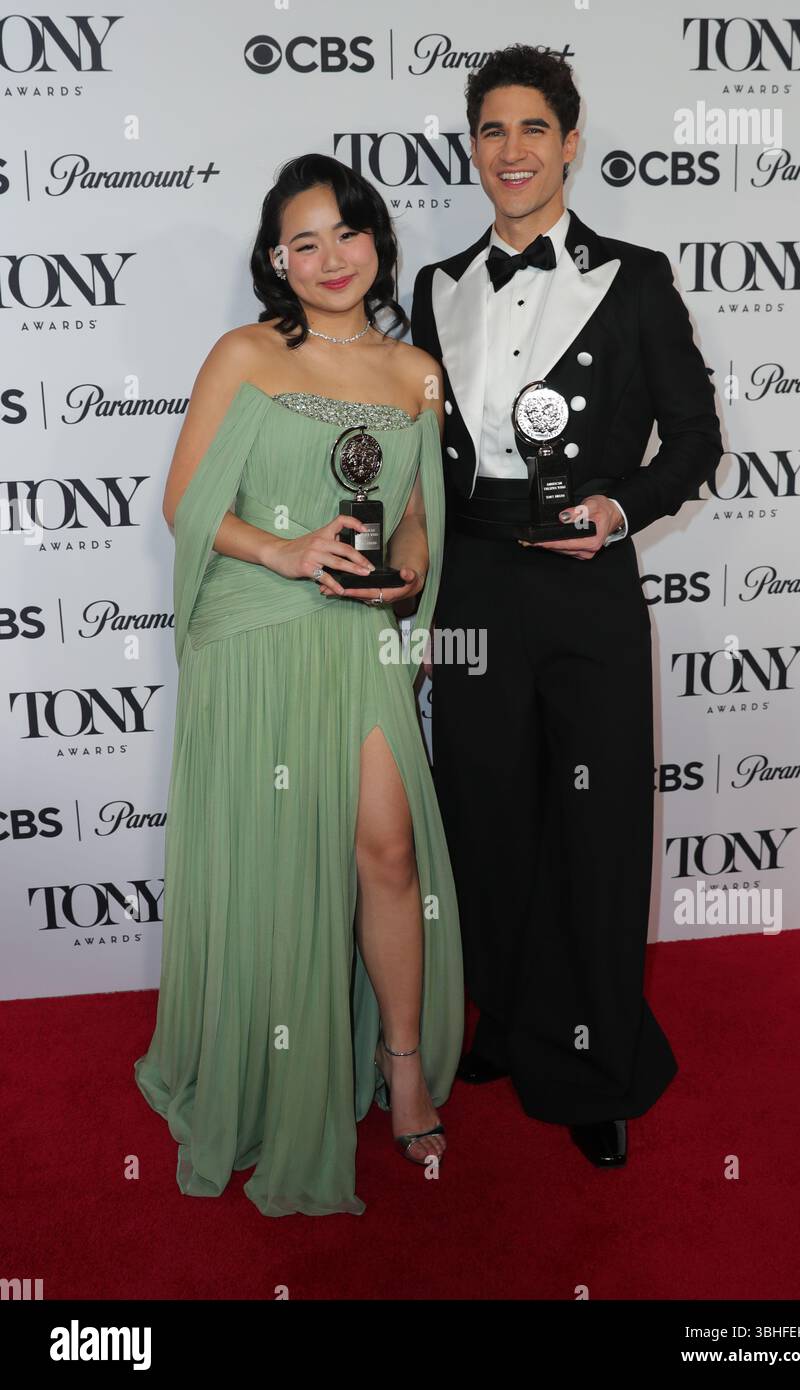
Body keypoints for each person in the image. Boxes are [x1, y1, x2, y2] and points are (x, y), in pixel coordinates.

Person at [134, 154, 464, 1218]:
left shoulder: (416, 368)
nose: (328, 258)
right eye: (302, 242)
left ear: (377, 240)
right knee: (276, 858)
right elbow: (184, 504)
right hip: (258, 627)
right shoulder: (244, 350)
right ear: (276, 259)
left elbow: (413, 503)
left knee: (388, 845)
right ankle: (274, 1075)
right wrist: (284, 554)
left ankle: (401, 1065)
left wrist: (407, 559)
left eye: (346, 232)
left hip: (357, 631)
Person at [410, 46, 723, 1166]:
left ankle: (594, 1059)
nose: (511, 151)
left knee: (594, 825)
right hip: (474, 585)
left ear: (570, 140)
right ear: (473, 145)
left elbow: (694, 440)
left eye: (532, 129)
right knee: (484, 812)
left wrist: (617, 508)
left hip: (586, 580)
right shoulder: (434, 283)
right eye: (491, 130)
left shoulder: (633, 277)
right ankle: (504, 1012)